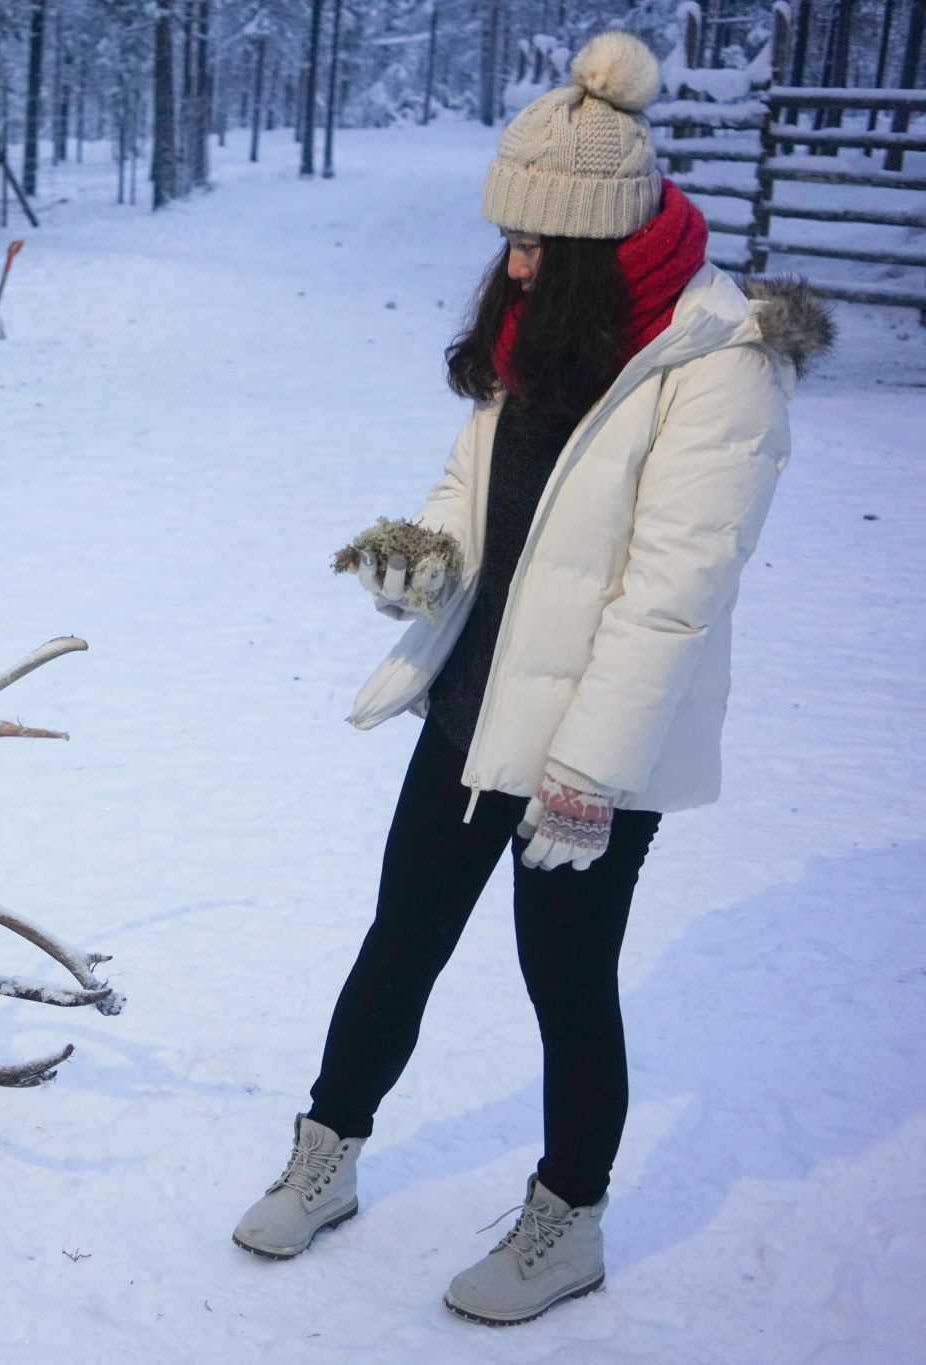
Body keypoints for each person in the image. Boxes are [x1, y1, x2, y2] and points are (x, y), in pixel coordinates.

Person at [230, 30, 832, 1326]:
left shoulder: (720, 366)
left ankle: (569, 1221)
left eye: (535, 243)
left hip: (589, 748)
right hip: (469, 707)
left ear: (603, 241)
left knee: (566, 980)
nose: (508, 262)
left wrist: (589, 773)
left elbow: (673, 595)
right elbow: (474, 490)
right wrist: (424, 558)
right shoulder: (537, 328)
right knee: (400, 939)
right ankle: (326, 1155)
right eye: (507, 236)